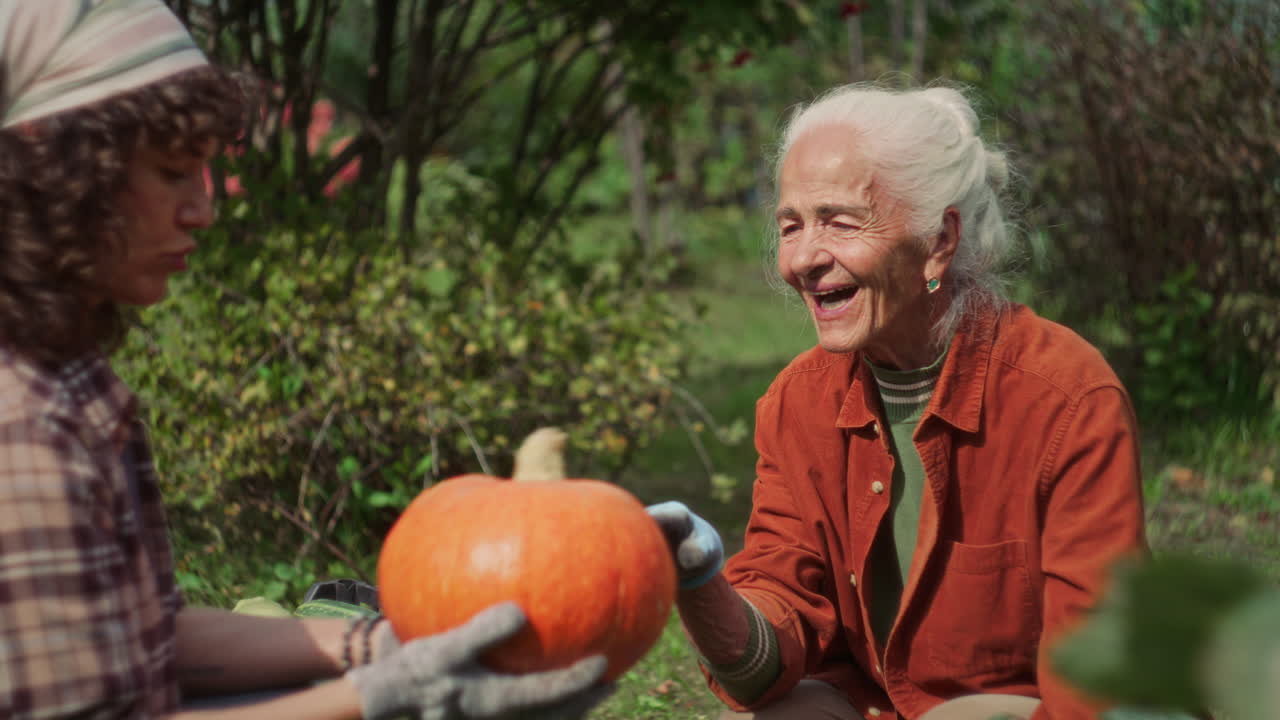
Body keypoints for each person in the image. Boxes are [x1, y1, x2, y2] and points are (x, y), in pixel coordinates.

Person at [0, 1, 609, 718]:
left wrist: (389, 643)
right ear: (53, 174)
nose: (203, 209)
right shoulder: (26, 430)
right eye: (171, 172)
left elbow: (156, 636)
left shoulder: (71, 380)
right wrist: (382, 698)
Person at [648, 84, 1148, 720]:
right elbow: (772, 648)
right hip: (873, 703)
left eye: (839, 221)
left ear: (938, 240)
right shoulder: (796, 404)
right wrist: (700, 583)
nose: (803, 258)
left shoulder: (1067, 399)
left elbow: (1097, 678)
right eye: (790, 225)